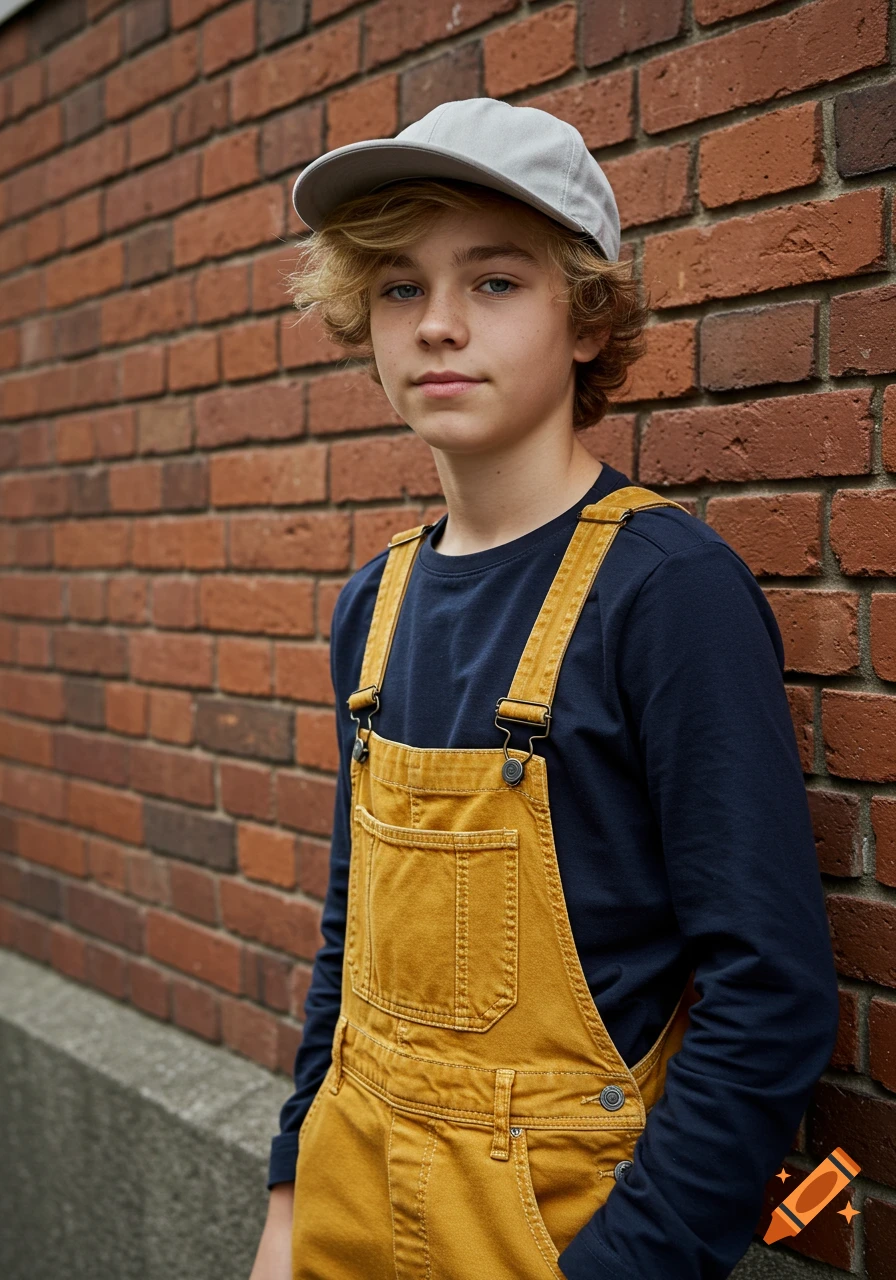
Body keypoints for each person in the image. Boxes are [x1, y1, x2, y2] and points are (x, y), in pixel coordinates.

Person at [249, 97, 840, 1280]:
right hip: (346, 1206)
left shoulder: (663, 590)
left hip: (555, 1229)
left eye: (495, 281)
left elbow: (766, 994)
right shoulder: (374, 603)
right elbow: (350, 939)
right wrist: (287, 1195)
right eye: (399, 286)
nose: (437, 323)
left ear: (585, 317)